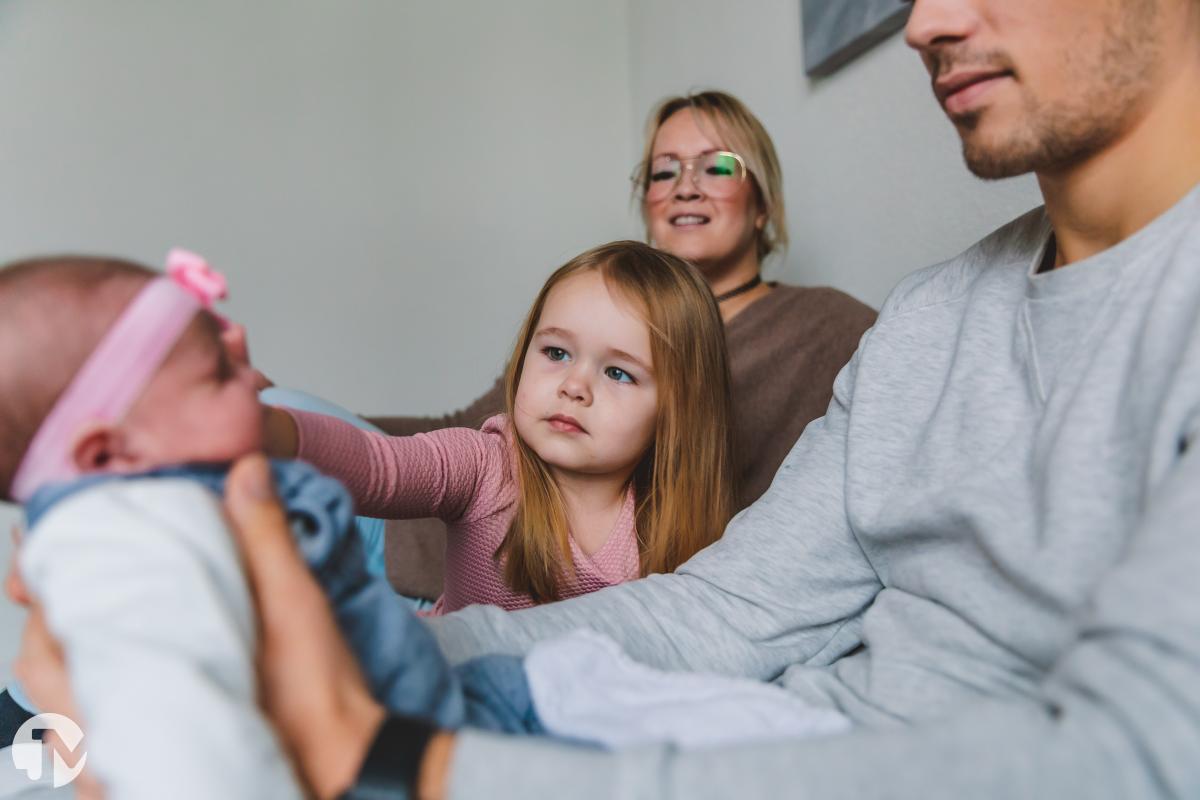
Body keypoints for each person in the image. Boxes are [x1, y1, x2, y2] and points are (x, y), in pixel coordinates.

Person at [125, 0, 1198, 797]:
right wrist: (381, 665)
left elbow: (1137, 756)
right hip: (710, 716)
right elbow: (728, 607)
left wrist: (439, 762)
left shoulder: (828, 327)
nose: (923, 23)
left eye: (716, 166)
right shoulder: (931, 317)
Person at [365, 90, 876, 600]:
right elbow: (458, 428)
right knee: (290, 411)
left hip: (580, 588)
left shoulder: (828, 327)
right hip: (417, 534)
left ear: (762, 204)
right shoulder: (592, 309)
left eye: (717, 167)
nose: (686, 187)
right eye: (664, 170)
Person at [264, 241, 736, 613]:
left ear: (678, 411)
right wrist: (268, 428)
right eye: (556, 353)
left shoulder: (677, 528)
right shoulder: (487, 465)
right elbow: (378, 467)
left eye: (618, 373)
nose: (574, 386)